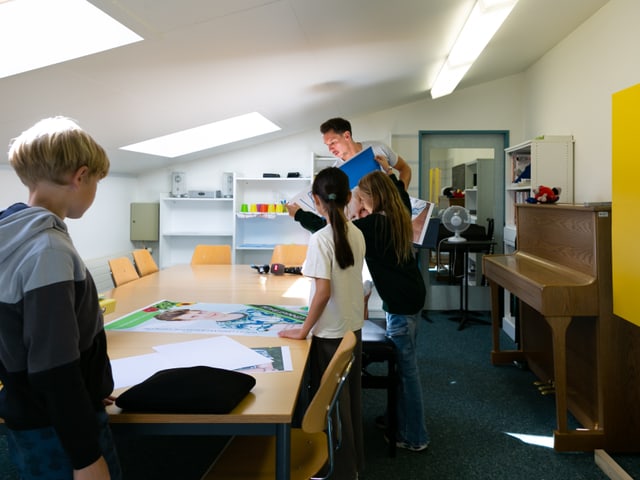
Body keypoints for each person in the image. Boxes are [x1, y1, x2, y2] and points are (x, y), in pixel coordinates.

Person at [0, 117, 121, 479]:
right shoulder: (47, 248)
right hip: (59, 432)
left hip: (29, 412)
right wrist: (86, 458)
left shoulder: (13, 233)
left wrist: (89, 385)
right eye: (97, 181)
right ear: (80, 176)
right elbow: (54, 368)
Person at [288, 168, 430, 452]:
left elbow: (329, 231)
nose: (359, 208)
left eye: (363, 202)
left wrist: (297, 214)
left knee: (407, 370)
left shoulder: (372, 226)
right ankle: (399, 420)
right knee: (406, 367)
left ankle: (414, 435)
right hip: (410, 297)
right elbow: (399, 194)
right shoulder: (396, 214)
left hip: (401, 303)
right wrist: (391, 175)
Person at [279, 167, 366, 479]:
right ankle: (353, 466)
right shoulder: (356, 233)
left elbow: (323, 292)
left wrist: (303, 330)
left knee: (329, 406)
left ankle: (339, 469)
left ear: (316, 201)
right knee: (349, 402)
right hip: (351, 329)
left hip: (329, 335)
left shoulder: (320, 239)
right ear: (347, 198)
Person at [320, 116, 412, 189]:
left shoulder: (378, 148)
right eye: (327, 145)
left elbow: (404, 168)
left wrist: (401, 196)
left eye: (333, 142)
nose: (330, 149)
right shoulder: (336, 171)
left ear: (347, 136)